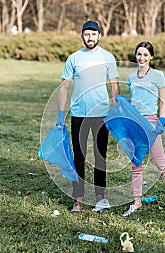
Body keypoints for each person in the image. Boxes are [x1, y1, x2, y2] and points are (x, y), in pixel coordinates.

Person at [57, 20, 120, 213]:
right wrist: (61, 114)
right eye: (86, 34)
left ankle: (100, 197)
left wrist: (115, 109)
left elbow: (115, 85)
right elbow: (64, 87)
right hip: (79, 114)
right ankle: (78, 199)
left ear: (99, 36)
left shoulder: (108, 57)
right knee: (79, 157)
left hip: (101, 114)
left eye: (93, 34)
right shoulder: (74, 59)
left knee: (101, 156)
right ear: (82, 36)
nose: (90, 37)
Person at [122, 41, 165, 216]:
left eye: (145, 55)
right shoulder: (131, 77)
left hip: (151, 123)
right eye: (139, 54)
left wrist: (161, 122)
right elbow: (133, 101)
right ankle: (137, 202)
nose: (142, 58)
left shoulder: (158, 76)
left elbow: (162, 102)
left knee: (161, 164)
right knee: (136, 164)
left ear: (151, 57)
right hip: (135, 124)